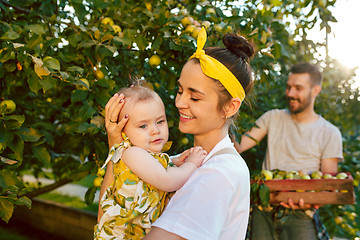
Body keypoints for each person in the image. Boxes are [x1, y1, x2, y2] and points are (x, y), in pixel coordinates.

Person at [103, 27, 255, 239]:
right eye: (180, 90)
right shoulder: (191, 162)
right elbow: (109, 218)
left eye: (195, 97)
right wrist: (118, 149)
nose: (179, 102)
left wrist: (118, 150)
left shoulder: (217, 173)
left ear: (230, 107)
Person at [233, 63, 343, 240]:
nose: (290, 93)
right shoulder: (272, 117)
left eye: (298, 88)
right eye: (289, 87)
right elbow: (238, 146)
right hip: (264, 209)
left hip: (301, 214)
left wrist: (309, 200)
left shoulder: (329, 133)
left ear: (315, 90)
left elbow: (327, 183)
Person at [94, 83, 207, 239]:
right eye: (143, 126)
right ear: (123, 131)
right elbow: (167, 180)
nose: (155, 130)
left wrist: (173, 161)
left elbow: (152, 168)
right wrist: (191, 164)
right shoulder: (131, 153)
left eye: (160, 121)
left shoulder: (142, 156)